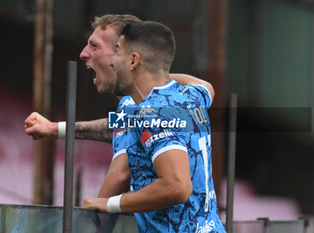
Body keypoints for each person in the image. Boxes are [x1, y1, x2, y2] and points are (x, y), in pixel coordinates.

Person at [24, 14, 214, 200]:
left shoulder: (135, 105)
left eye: (95, 46)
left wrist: (95, 220)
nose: (83, 53)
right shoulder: (182, 97)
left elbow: (119, 176)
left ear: (125, 55)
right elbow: (115, 127)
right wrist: (55, 128)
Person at [82, 21, 226, 233]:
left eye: (118, 52)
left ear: (133, 60)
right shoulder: (190, 96)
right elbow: (207, 87)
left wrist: (109, 204)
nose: (112, 61)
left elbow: (177, 186)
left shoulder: (155, 111)